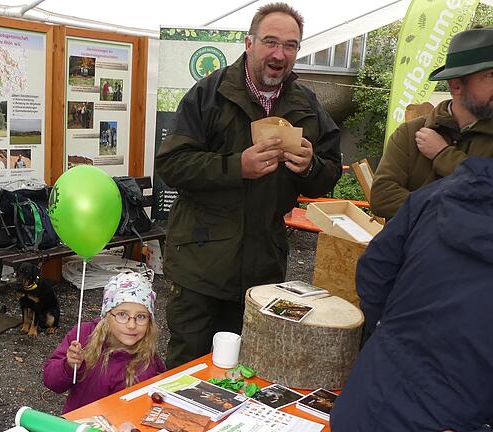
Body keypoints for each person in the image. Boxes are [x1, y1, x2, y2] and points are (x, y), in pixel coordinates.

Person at [155, 2, 342, 368]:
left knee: (248, 371)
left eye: (290, 45)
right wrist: (236, 166)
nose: (279, 54)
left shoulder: (305, 103)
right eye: (270, 42)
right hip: (200, 267)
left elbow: (330, 171)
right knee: (188, 371)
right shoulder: (209, 94)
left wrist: (309, 167)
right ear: (249, 43)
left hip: (263, 270)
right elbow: (171, 165)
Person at [330, 157, 493, 431]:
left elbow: (375, 270)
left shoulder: (438, 193)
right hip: (452, 407)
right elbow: (375, 270)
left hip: (373, 397)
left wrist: (389, 333)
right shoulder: (437, 194)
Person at [370, 27, 493, 219]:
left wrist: (444, 155)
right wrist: (457, 210)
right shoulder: (411, 132)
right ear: (456, 85)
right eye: (491, 75)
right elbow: (382, 197)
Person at [43, 272, 166, 413]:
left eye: (141, 316)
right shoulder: (82, 335)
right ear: (107, 315)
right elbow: (51, 381)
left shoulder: (147, 362)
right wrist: (69, 366)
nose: (132, 325)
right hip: (77, 424)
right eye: (122, 315)